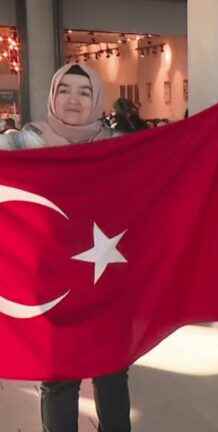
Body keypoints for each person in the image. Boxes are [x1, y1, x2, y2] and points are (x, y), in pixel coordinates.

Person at [3, 63, 131, 432]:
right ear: (52, 95)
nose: (73, 99)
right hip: (51, 280)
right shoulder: (23, 143)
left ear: (97, 99)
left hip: (106, 275)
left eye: (84, 91)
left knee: (111, 372)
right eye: (65, 90)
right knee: (59, 377)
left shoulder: (118, 147)